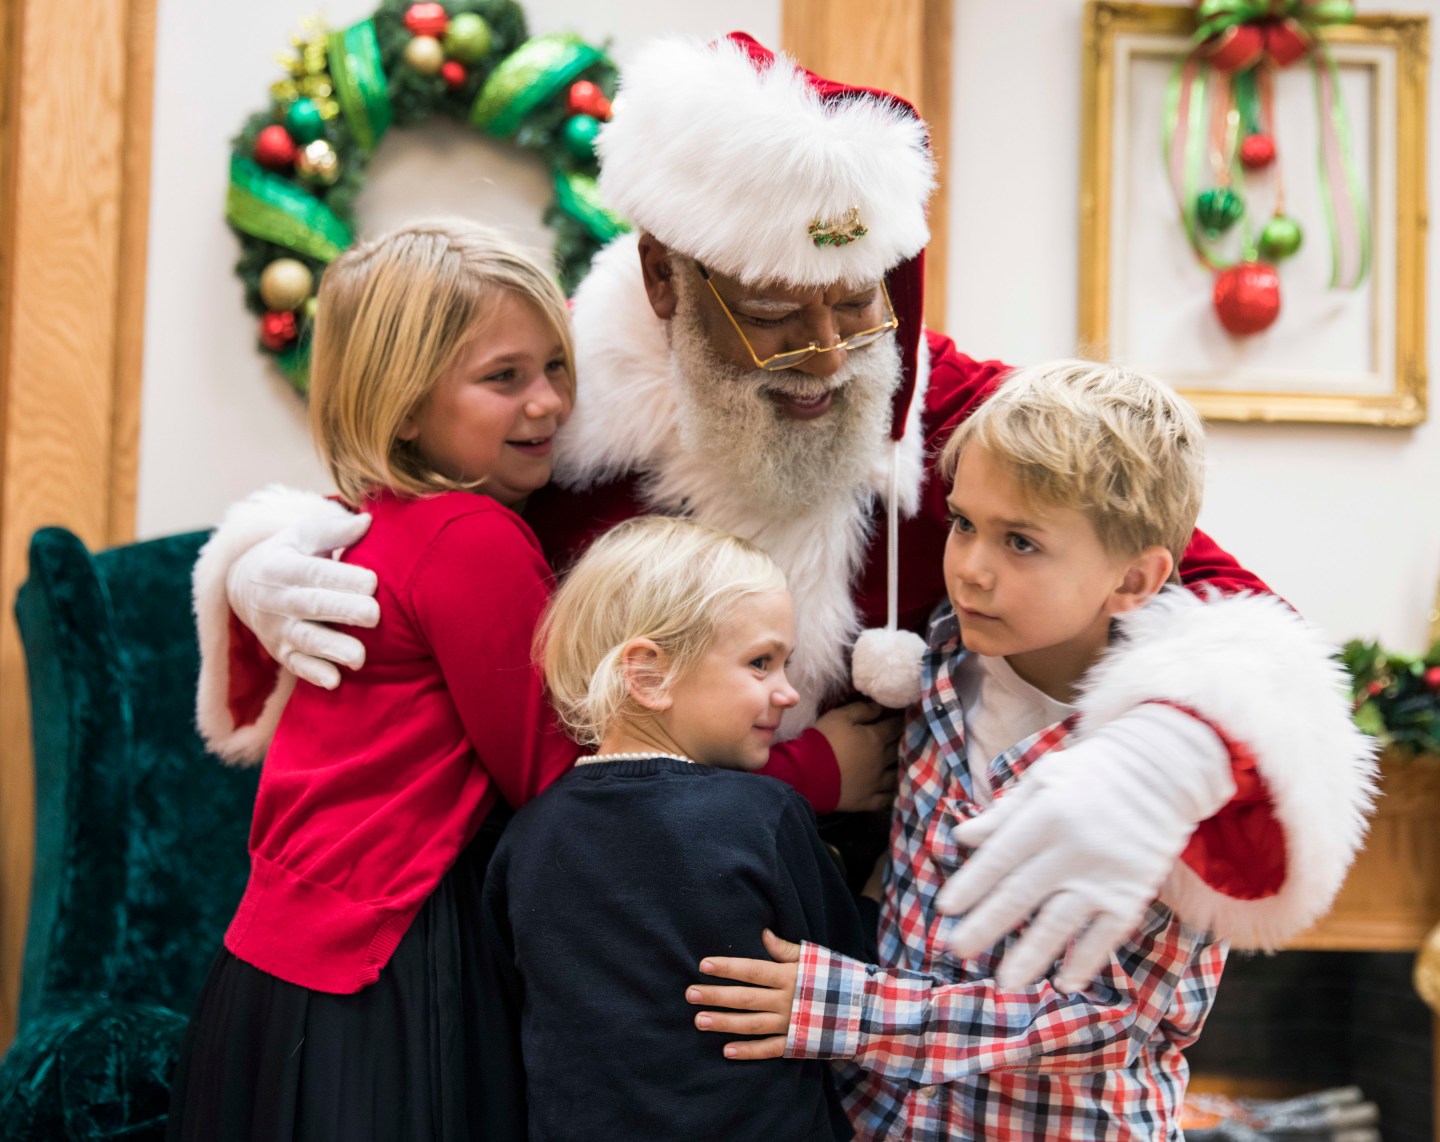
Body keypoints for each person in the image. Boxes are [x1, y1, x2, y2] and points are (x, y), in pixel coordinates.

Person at [193, 32, 1374, 988]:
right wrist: (260, 559)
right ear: (664, 279)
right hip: (596, 941)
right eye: (769, 309)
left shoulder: (955, 411)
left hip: (865, 956)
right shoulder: (569, 408)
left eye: (855, 302)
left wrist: (1176, 747)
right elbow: (404, 525)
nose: (822, 353)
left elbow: (1227, 606)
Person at [683, 361, 1376, 1139]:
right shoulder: (938, 663)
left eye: (1021, 542)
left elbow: (1110, 1022)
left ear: (1134, 578)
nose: (971, 567)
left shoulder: (1173, 760)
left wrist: (848, 1008)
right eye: (965, 523)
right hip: (878, 1121)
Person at [168, 219, 588, 1141]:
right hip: (397, 967)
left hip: (270, 973)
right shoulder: (472, 539)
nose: (551, 403)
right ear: (403, 405)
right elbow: (555, 776)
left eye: (555, 365)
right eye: (504, 377)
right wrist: (807, 770)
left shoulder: (364, 523)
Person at [478, 516, 873, 1141]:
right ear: (649, 675)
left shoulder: (526, 840)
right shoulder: (763, 817)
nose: (789, 693)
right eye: (761, 663)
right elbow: (850, 973)